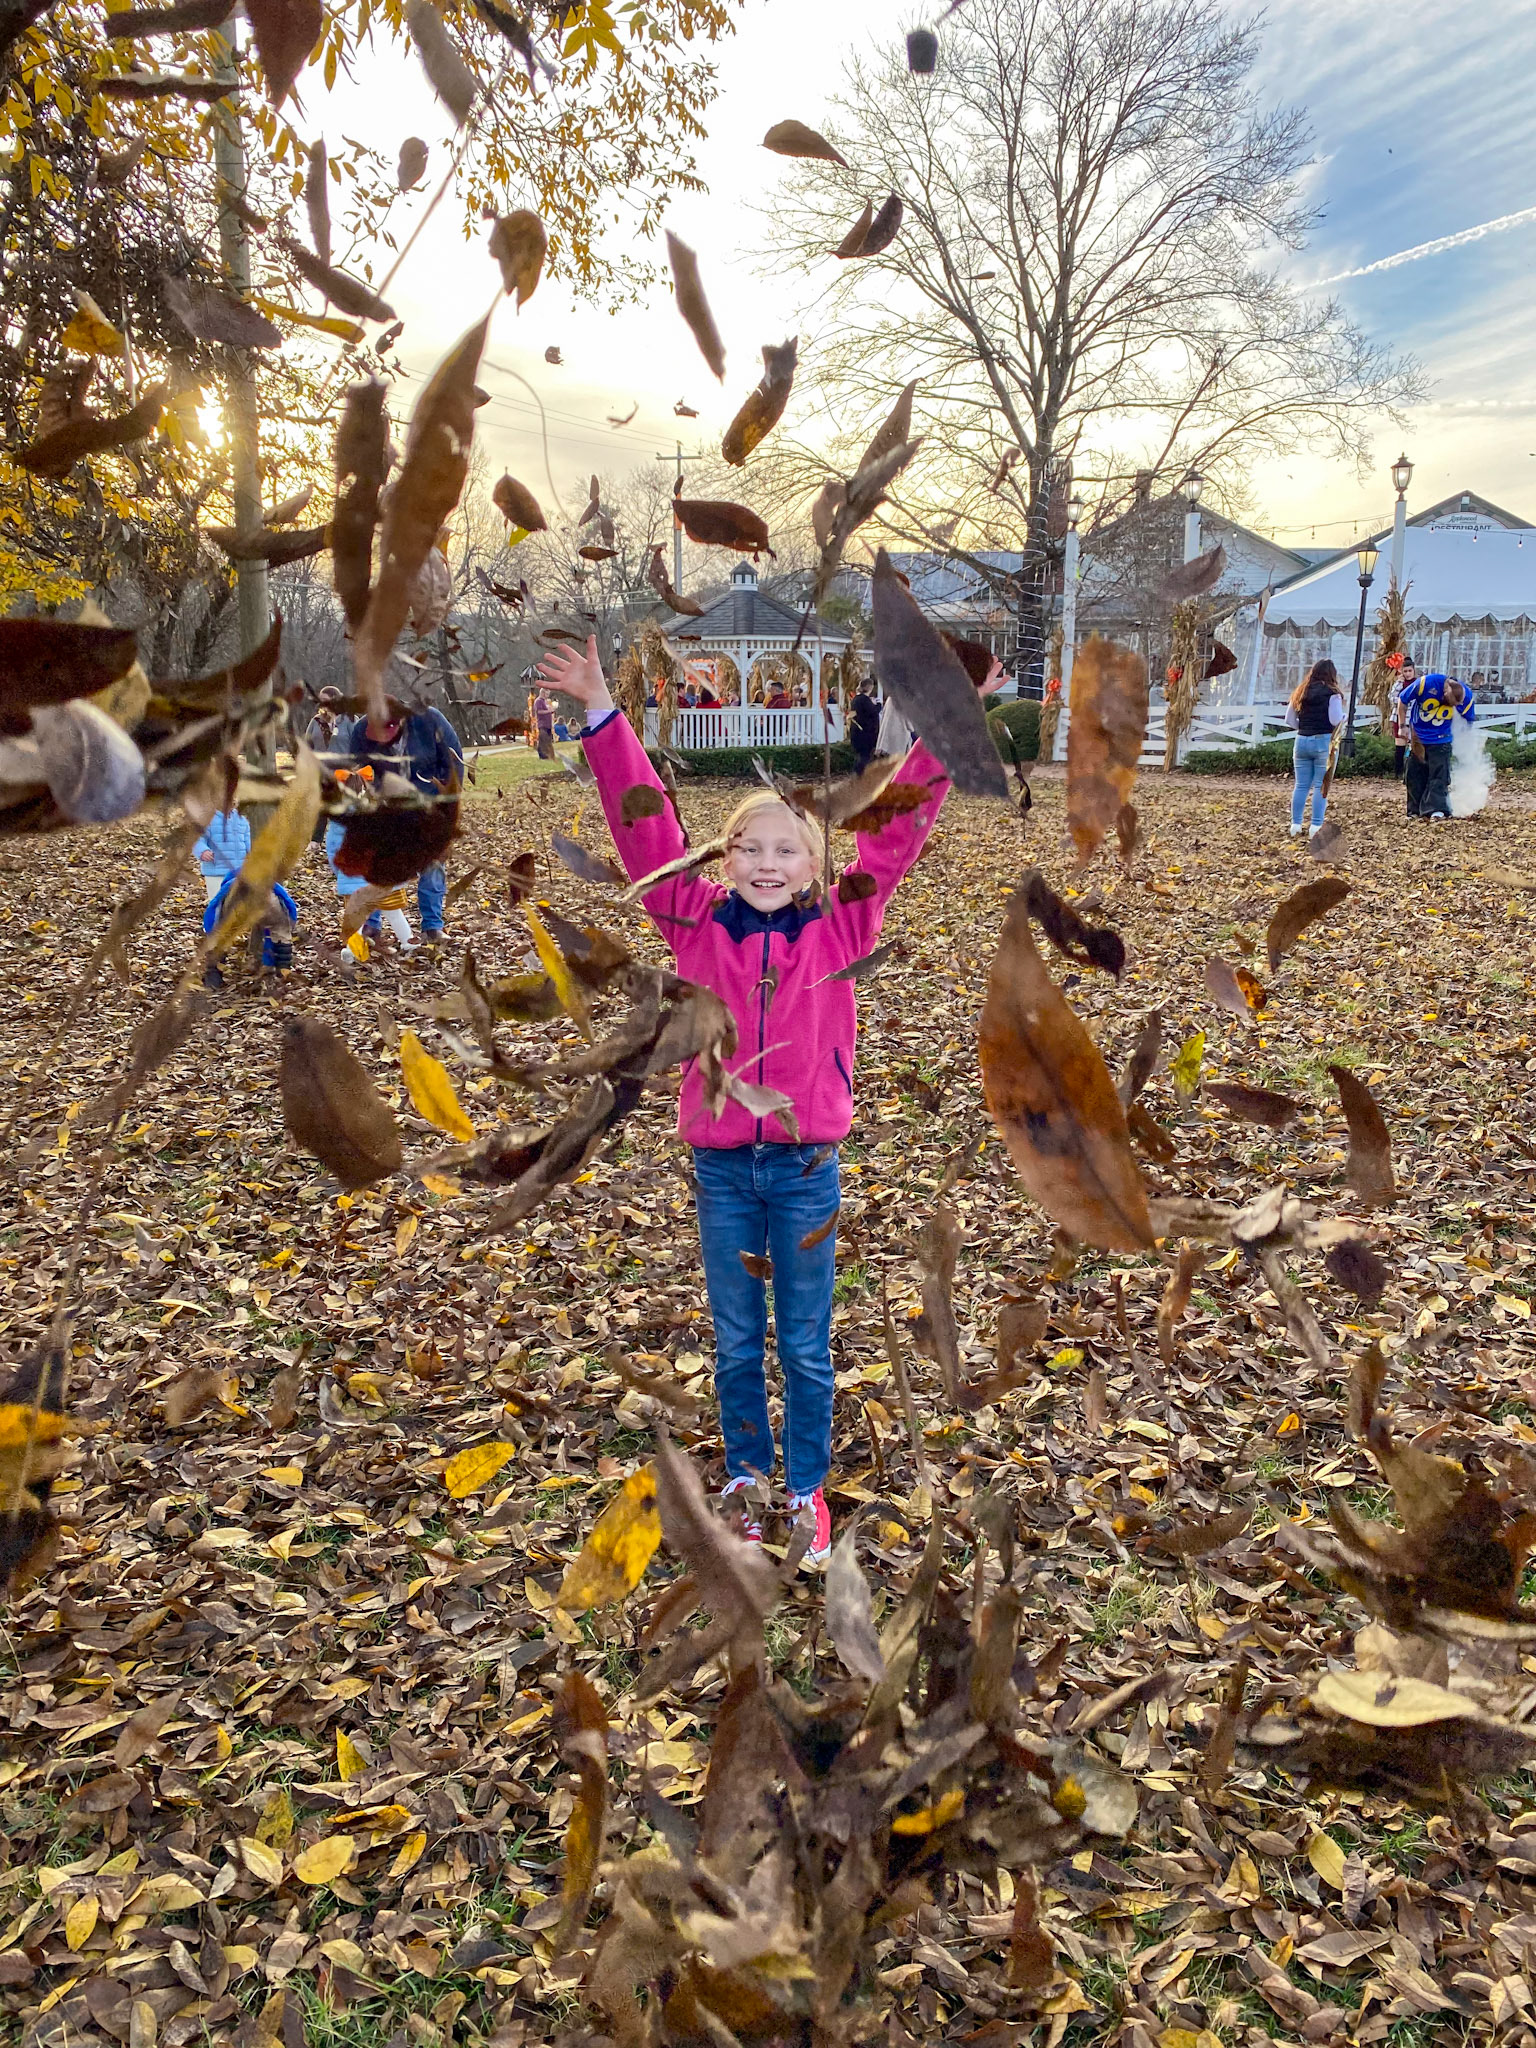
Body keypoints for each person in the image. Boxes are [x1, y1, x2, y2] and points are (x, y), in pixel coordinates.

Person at [534, 633, 1001, 1570]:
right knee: (739, 1341)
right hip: (721, 1169)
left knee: (807, 1344)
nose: (768, 863)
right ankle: (750, 1479)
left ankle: (805, 1490)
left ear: (816, 862)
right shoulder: (694, 920)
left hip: (804, 1168)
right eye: (749, 847)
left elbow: (900, 829)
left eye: (788, 849)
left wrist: (953, 717)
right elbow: (644, 830)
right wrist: (601, 713)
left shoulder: (842, 922)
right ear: (725, 856)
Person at [343, 700, 463, 939]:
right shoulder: (362, 731)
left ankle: (432, 926)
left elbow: (454, 762)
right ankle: (371, 925)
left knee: (432, 866)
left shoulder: (430, 720)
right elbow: (357, 771)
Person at [1399, 670, 1474, 821]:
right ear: (1445, 691)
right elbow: (1403, 700)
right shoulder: (1425, 683)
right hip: (1418, 737)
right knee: (1414, 774)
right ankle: (1414, 810)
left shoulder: (1466, 697)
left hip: (1442, 739)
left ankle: (1436, 810)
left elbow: (1468, 721)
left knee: (1439, 776)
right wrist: (1402, 726)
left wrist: (1463, 743)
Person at [203, 872, 297, 988]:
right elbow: (288, 906)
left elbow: (213, 917)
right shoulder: (271, 882)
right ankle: (282, 971)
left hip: (236, 899)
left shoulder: (229, 886)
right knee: (278, 931)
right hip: (268, 899)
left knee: (221, 933)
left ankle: (213, 976)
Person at [1283, 658, 1343, 836]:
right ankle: (1315, 826)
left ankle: (1295, 825)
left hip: (1301, 740)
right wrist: (1345, 717)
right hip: (1323, 741)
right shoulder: (1333, 693)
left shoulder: (1301, 691)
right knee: (1320, 786)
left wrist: (1303, 726)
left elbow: (1289, 719)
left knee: (1301, 785)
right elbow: (1335, 719)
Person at [193, 803, 251, 904]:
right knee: (217, 902)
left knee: (238, 902)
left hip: (238, 871)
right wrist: (203, 851)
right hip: (216, 871)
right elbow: (196, 839)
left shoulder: (241, 819)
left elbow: (248, 842)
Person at [1389, 658, 1417, 778]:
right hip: (1399, 717)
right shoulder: (1399, 684)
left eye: (1410, 671)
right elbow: (1392, 698)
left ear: (1414, 671)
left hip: (1413, 717)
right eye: (1405, 671)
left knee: (1414, 746)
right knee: (1399, 746)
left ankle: (1411, 772)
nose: (1408, 674)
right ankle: (1398, 773)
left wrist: (1406, 702)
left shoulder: (1418, 683)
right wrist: (1403, 701)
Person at [849, 681, 880, 771]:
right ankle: (860, 774)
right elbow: (873, 712)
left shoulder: (855, 699)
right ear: (870, 688)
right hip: (865, 733)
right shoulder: (865, 700)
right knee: (865, 756)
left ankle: (857, 773)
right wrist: (878, 704)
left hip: (856, 731)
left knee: (860, 756)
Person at [304, 687, 345, 754]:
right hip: (318, 759)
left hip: (342, 759)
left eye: (325, 700)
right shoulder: (316, 720)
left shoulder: (348, 720)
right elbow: (307, 745)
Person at [532, 688, 555, 759]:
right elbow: (539, 711)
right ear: (542, 693)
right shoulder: (538, 701)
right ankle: (542, 755)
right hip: (542, 724)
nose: (547, 696)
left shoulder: (545, 701)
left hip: (548, 724)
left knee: (547, 740)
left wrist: (551, 710)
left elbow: (547, 710)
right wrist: (548, 711)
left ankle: (547, 754)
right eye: (547, 694)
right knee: (543, 740)